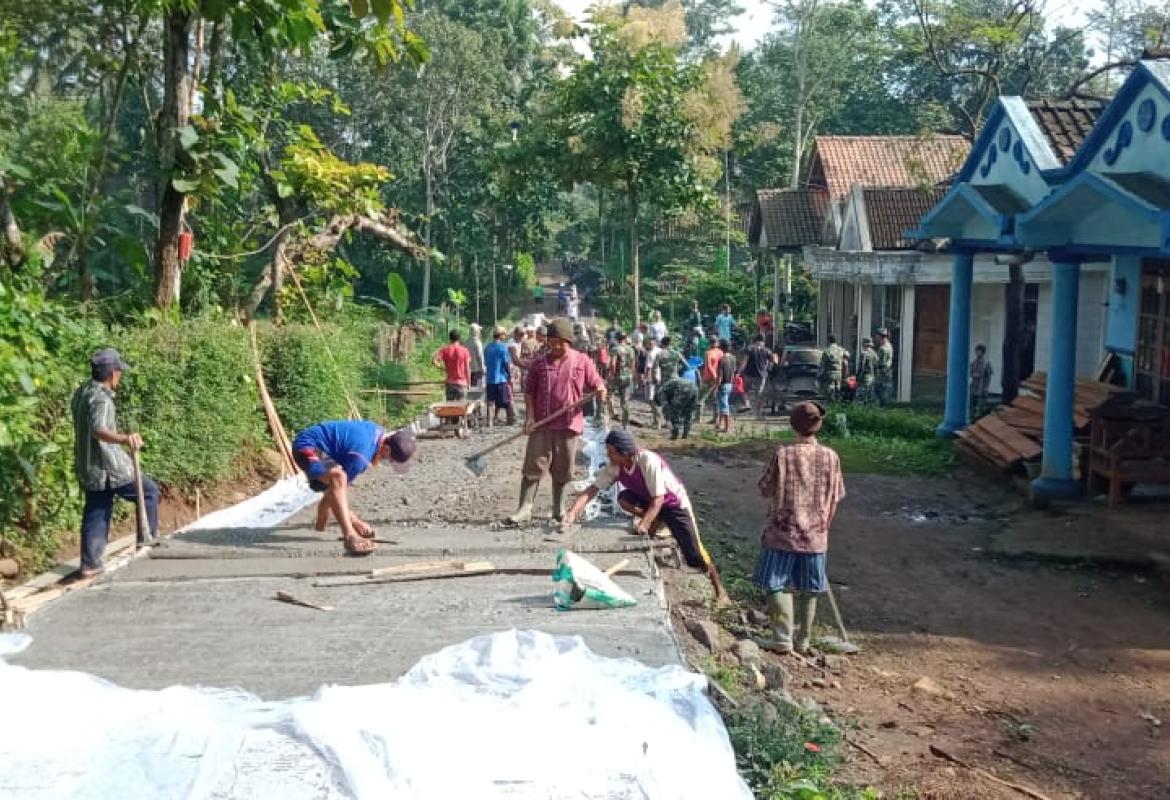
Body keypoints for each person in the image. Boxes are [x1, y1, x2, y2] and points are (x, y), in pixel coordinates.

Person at [562, 429, 729, 604]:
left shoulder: (648, 460)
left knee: (696, 553)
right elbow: (592, 490)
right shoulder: (615, 467)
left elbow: (659, 499)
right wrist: (572, 513)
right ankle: (656, 521)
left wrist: (643, 524)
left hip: (673, 504)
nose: (608, 455)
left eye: (611, 452)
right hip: (649, 499)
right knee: (624, 499)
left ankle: (720, 591)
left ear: (625, 453)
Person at [753, 401, 845, 654]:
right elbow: (836, 496)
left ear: (793, 425)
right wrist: (824, 524)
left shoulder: (783, 455)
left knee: (774, 583)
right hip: (815, 536)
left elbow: (765, 488)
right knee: (810, 587)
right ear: (819, 425)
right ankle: (804, 639)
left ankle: (782, 637)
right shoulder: (831, 457)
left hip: (782, 534)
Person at [504, 318, 607, 526]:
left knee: (563, 469)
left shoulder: (582, 361)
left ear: (569, 341)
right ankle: (524, 508)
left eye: (561, 343)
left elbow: (597, 383)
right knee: (533, 465)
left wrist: (600, 390)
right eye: (552, 342)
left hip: (568, 425)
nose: (556, 347)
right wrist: (530, 417)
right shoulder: (539, 363)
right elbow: (529, 393)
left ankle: (558, 509)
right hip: (541, 424)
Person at [72, 348, 160, 577]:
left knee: (97, 508)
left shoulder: (82, 392)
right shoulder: (101, 399)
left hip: (88, 466)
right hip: (109, 467)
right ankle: (146, 541)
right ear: (113, 374)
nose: (120, 376)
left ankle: (90, 563)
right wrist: (125, 438)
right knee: (149, 493)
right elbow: (98, 429)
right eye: (119, 371)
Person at [292, 421, 417, 556]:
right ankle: (350, 536)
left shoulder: (378, 433)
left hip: (322, 448)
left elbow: (332, 494)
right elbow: (336, 491)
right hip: (307, 446)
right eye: (389, 459)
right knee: (338, 478)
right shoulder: (360, 455)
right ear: (386, 449)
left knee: (334, 485)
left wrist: (322, 529)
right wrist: (355, 521)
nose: (386, 462)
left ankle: (319, 530)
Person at [484, 326, 516, 425]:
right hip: (501, 379)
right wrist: (509, 376)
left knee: (490, 402)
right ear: (501, 335)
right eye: (504, 335)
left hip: (490, 379)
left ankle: (489, 422)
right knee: (507, 400)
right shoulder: (503, 347)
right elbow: (506, 363)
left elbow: (486, 363)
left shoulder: (487, 347)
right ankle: (510, 420)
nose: (505, 337)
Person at [656, 373, 698, 440]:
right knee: (689, 412)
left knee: (675, 412)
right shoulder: (667, 387)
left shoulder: (660, 392)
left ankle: (675, 434)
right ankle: (685, 434)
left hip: (683, 388)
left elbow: (666, 407)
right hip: (694, 387)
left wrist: (667, 417)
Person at [739, 334, 772, 418]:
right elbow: (773, 361)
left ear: (755, 341)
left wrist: (739, 372)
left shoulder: (749, 349)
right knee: (759, 394)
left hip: (749, 374)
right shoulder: (767, 350)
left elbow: (744, 362)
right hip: (761, 376)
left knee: (744, 390)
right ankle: (758, 414)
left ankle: (747, 404)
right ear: (763, 341)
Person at [433, 329, 471, 401]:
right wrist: (469, 383)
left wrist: (442, 368)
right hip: (462, 384)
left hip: (450, 383)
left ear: (450, 338)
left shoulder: (445, 350)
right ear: (459, 338)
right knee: (461, 407)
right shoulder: (464, 350)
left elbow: (434, 361)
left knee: (450, 406)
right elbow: (467, 368)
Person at [608, 331, 636, 427]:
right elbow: (633, 364)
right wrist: (631, 375)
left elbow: (613, 364)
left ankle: (612, 414)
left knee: (608, 395)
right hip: (627, 377)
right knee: (625, 401)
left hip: (617, 376)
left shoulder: (615, 349)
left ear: (617, 338)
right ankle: (625, 423)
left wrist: (611, 376)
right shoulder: (631, 350)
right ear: (625, 338)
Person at [695, 336, 724, 424]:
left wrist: (714, 377)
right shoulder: (721, 352)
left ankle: (698, 418)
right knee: (715, 398)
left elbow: (709, 366)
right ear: (717, 343)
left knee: (700, 398)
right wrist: (718, 378)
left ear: (709, 343)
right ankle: (715, 418)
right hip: (718, 378)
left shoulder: (708, 353)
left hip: (708, 378)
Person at [818, 335, 849, 402]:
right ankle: (837, 404)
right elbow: (847, 358)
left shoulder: (827, 351)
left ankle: (830, 404)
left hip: (830, 374)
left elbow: (823, 365)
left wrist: (819, 376)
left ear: (828, 341)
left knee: (830, 391)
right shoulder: (841, 349)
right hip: (839, 373)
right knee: (838, 390)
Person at [715, 339, 738, 433]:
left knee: (724, 406)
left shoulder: (721, 360)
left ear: (721, 348)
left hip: (723, 384)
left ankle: (727, 427)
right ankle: (719, 423)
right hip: (729, 384)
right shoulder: (733, 358)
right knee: (723, 404)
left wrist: (716, 387)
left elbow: (720, 376)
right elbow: (733, 373)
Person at [970, 344, 993, 420]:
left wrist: (986, 388)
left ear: (983, 352)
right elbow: (970, 373)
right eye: (976, 351)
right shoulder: (973, 363)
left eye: (979, 351)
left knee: (981, 408)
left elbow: (989, 377)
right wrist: (974, 375)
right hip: (973, 388)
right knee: (972, 406)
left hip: (982, 388)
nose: (977, 352)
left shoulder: (986, 363)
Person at [643, 336, 662, 427]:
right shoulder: (660, 351)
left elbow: (648, 368)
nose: (650, 345)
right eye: (649, 344)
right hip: (660, 377)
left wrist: (646, 378)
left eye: (651, 344)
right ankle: (657, 420)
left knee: (652, 400)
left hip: (652, 378)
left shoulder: (651, 353)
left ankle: (657, 421)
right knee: (656, 399)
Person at [875, 328, 895, 405]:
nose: (876, 337)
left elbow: (880, 362)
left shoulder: (882, 348)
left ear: (880, 336)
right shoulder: (889, 345)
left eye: (877, 335)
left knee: (880, 390)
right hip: (887, 371)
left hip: (882, 372)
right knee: (886, 389)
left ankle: (881, 405)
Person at [856, 338, 878, 404]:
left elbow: (862, 366)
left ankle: (859, 409)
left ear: (864, 344)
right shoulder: (875, 354)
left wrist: (858, 376)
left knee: (860, 396)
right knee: (869, 395)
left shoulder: (864, 354)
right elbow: (876, 366)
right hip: (872, 377)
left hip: (864, 377)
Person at [467, 323, 485, 389]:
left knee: (470, 389)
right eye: (479, 330)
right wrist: (482, 368)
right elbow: (480, 356)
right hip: (477, 370)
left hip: (468, 369)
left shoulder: (466, 342)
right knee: (478, 389)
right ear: (476, 331)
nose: (480, 332)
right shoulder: (477, 342)